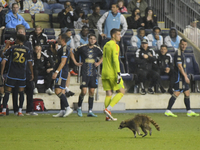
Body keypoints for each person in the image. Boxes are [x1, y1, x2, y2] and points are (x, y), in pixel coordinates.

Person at [0, 34, 33, 116]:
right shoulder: (27, 49)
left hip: (12, 73)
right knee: (21, 92)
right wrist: (31, 73)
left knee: (7, 91)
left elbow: (2, 55)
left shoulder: (12, 48)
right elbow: (29, 63)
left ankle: (4, 110)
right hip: (22, 74)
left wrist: (7, 45)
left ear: (18, 40)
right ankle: (20, 111)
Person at [165, 39, 199, 117]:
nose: (183, 46)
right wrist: (185, 76)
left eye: (185, 45)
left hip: (182, 77)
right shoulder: (178, 53)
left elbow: (183, 66)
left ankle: (189, 111)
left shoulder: (182, 53)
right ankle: (168, 110)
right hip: (179, 77)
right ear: (179, 44)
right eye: (182, 44)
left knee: (187, 92)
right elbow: (179, 66)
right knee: (176, 93)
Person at [71, 34, 103, 117]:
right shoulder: (82, 47)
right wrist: (76, 62)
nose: (92, 40)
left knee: (92, 91)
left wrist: (99, 63)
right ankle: (79, 107)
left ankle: (90, 110)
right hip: (84, 72)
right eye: (91, 38)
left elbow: (104, 55)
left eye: (94, 39)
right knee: (84, 91)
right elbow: (72, 52)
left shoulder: (97, 49)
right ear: (88, 39)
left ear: (95, 41)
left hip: (93, 73)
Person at [102, 28, 125, 121]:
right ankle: (108, 109)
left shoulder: (106, 45)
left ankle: (108, 116)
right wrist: (118, 73)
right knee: (122, 91)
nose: (120, 36)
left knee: (109, 93)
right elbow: (115, 60)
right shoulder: (115, 45)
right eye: (118, 34)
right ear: (113, 35)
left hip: (104, 72)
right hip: (112, 73)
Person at [52, 34, 73, 118]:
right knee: (62, 91)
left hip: (61, 72)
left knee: (57, 91)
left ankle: (68, 108)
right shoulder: (62, 48)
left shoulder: (64, 49)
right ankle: (62, 110)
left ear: (63, 40)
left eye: (59, 38)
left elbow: (63, 61)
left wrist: (56, 72)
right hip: (63, 72)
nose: (58, 39)